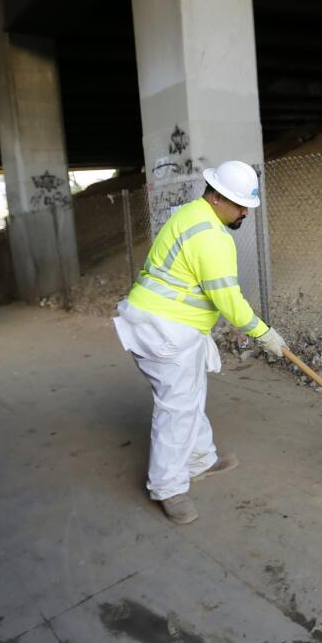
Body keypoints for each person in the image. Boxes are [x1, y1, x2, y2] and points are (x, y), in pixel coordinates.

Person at [113, 160, 287, 525]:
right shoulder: (212, 237)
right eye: (240, 205)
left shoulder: (189, 214)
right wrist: (264, 334)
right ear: (219, 197)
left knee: (189, 395)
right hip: (166, 331)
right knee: (176, 409)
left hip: (158, 322)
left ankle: (200, 459)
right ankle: (168, 488)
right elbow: (230, 302)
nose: (244, 213)